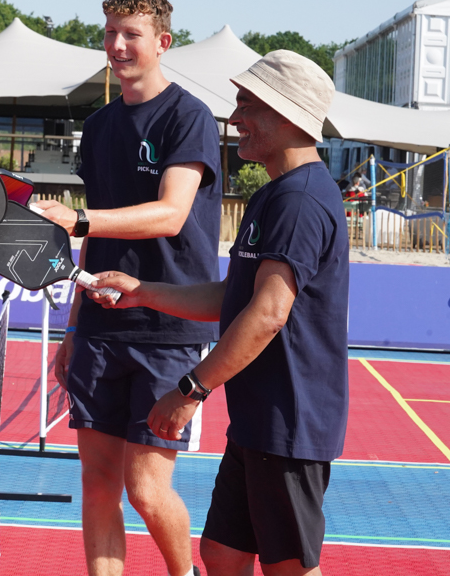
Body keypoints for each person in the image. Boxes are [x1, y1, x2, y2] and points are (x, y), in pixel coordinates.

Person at [94, 51, 348, 576]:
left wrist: (190, 391)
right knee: (221, 555)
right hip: (259, 419)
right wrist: (143, 291)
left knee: (290, 568)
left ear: (289, 116)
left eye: (247, 103)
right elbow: (232, 294)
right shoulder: (274, 194)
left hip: (290, 422)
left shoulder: (300, 200)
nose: (235, 118)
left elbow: (267, 313)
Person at [35, 0, 221, 576]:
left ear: (162, 42)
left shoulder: (188, 118)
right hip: (98, 328)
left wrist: (80, 217)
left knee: (145, 487)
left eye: (131, 34)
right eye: (110, 33)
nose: (117, 45)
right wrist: (73, 324)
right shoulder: (99, 126)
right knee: (97, 485)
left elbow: (170, 215)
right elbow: (95, 238)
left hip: (167, 326)